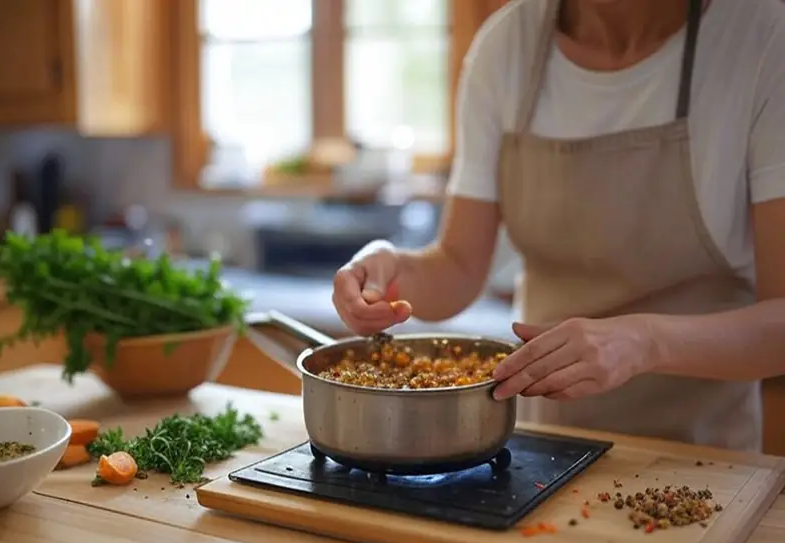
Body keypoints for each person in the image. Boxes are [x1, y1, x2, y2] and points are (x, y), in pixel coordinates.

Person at [332, 0, 785, 453]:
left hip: (702, 456)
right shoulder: (507, 46)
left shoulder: (761, 36)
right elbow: (457, 265)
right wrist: (390, 271)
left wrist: (646, 341)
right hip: (545, 446)